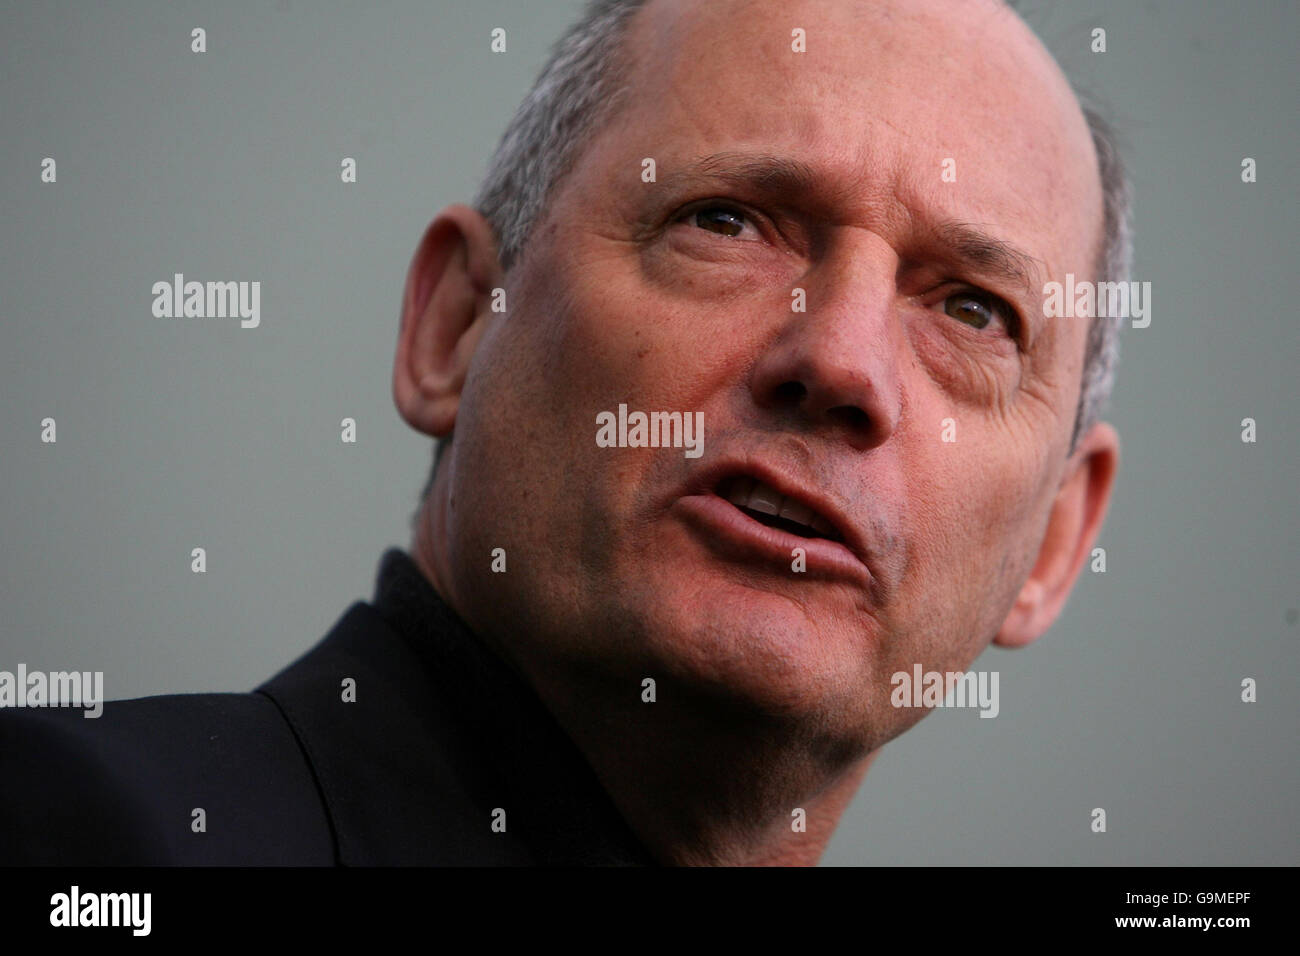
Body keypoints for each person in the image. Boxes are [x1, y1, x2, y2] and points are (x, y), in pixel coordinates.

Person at [0, 0, 1128, 866]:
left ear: (1054, 542)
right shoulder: (85, 839)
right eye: (725, 220)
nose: (839, 361)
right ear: (453, 325)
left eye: (972, 309)